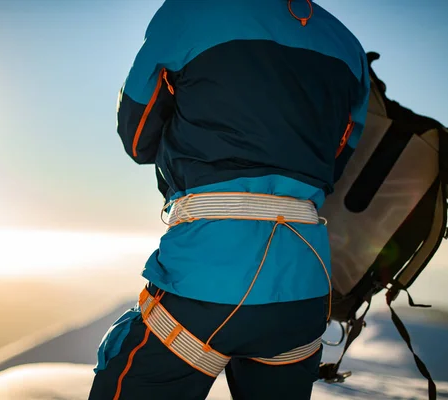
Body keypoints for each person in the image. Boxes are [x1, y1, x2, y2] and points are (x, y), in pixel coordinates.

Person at [88, 0, 369, 399]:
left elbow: (136, 138)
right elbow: (338, 159)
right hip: (303, 284)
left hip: (208, 276)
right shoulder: (348, 45)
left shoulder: (190, 10)